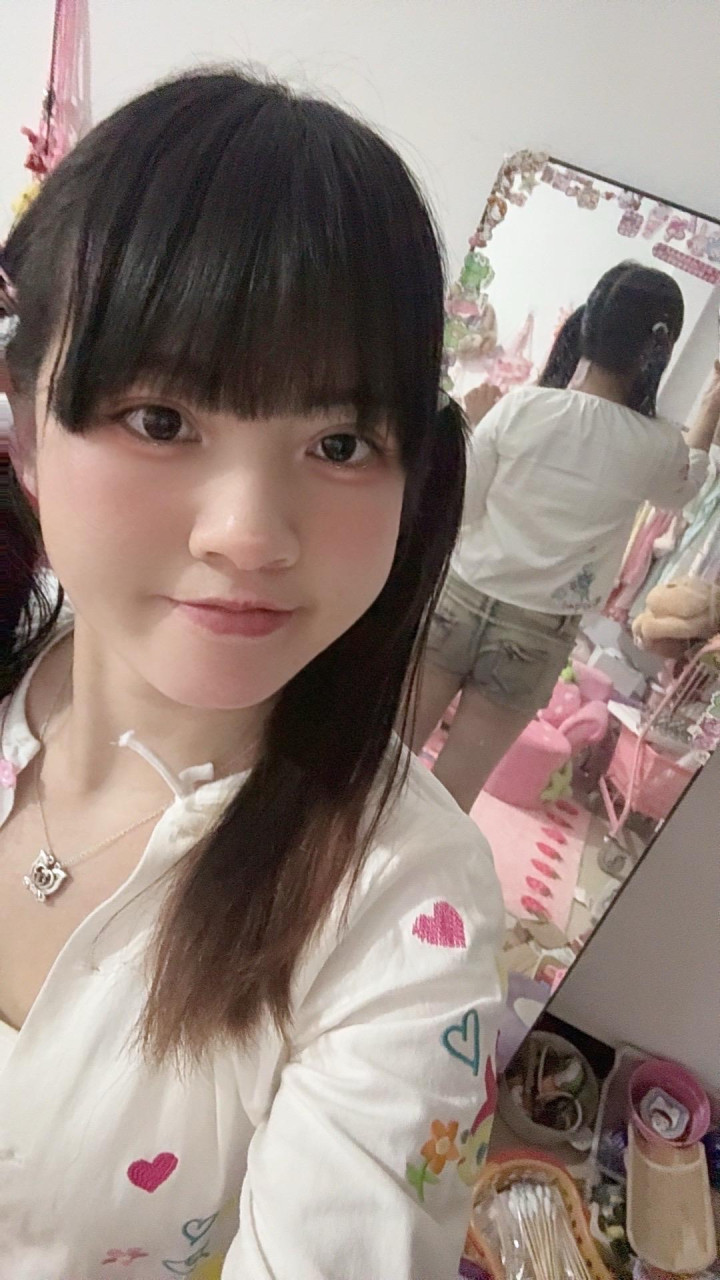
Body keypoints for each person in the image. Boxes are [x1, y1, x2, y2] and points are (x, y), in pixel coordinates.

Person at [0, 71, 504, 1278]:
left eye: (339, 442)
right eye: (160, 419)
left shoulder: (403, 907)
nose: (249, 533)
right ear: (22, 428)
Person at [411, 262, 720, 812]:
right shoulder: (653, 446)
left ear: (587, 326)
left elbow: (463, 509)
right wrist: (711, 405)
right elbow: (686, 487)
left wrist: (473, 430)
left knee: (384, 765)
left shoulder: (523, 407)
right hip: (536, 633)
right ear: (658, 349)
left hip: (458, 598)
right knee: (448, 798)